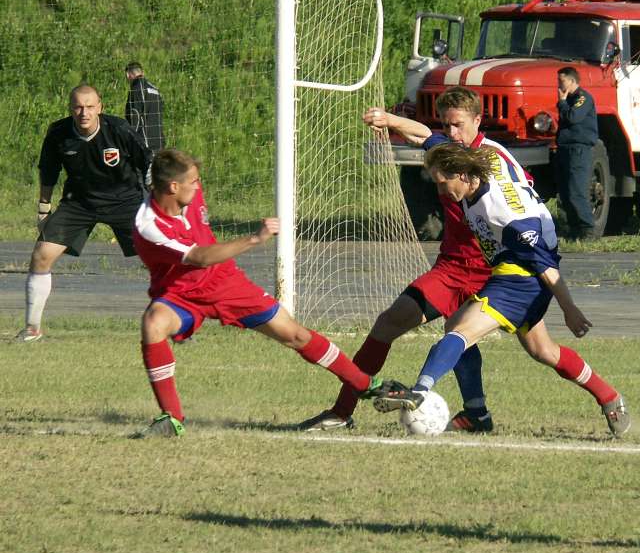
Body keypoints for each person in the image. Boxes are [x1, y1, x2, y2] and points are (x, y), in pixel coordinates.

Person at [373, 142, 631, 437]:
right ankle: (609, 396)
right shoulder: (470, 176)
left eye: (444, 184)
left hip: (524, 279)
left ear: (464, 175)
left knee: (459, 328)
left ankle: (422, 392)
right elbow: (432, 139)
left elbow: (547, 268)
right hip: (507, 270)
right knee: (543, 350)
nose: (441, 192)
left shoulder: (506, 214)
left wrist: (570, 310)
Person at [298, 86, 513, 433]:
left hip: (496, 271)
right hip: (452, 269)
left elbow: (523, 204)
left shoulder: (495, 161)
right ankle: (341, 411)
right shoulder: (447, 150)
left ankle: (608, 398)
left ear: (477, 120)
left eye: (458, 124)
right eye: (447, 125)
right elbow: (425, 135)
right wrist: (388, 119)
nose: (452, 133)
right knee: (390, 323)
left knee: (540, 348)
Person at [131, 148, 379, 436]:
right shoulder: (149, 225)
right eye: (194, 181)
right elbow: (198, 257)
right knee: (153, 323)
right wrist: (254, 239)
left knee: (294, 334)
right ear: (173, 187)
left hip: (225, 283)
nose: (199, 186)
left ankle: (366, 385)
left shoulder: (188, 194)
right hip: (181, 293)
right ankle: (171, 418)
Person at [17, 84, 153, 342]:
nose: (84, 112)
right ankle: (32, 329)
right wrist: (43, 208)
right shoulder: (59, 132)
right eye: (78, 106)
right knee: (41, 255)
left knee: (158, 259)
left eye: (90, 107)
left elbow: (147, 163)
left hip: (125, 201)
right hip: (79, 202)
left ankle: (180, 322)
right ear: (70, 108)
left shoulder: (119, 129)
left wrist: (158, 205)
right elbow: (48, 171)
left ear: (100, 107)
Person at [555, 66, 599, 240]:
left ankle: (588, 229)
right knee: (565, 192)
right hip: (565, 149)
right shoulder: (569, 99)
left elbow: (573, 117)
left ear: (572, 81)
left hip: (579, 150)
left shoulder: (582, 98)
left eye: (562, 80)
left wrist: (562, 102)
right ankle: (574, 229)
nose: (558, 84)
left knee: (576, 191)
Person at [125, 62, 165, 151]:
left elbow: (135, 116)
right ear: (142, 72)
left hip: (145, 143)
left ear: (128, 75)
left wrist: (130, 140)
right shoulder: (155, 89)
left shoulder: (136, 89)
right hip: (159, 140)